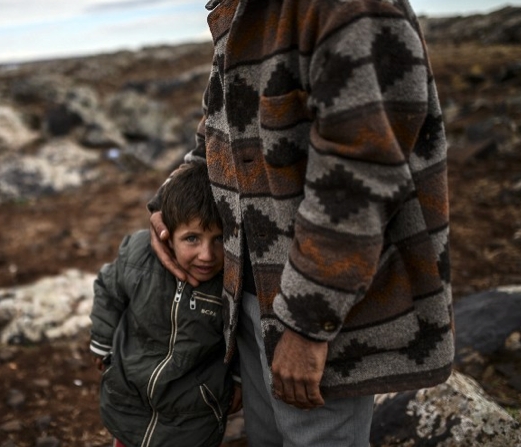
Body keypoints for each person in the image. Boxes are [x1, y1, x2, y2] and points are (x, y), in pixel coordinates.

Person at [148, 1, 455, 446]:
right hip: (251, 293)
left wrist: (308, 325)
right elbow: (221, 129)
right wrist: (170, 201)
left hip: (324, 315)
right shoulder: (243, 10)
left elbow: (360, 179)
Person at [90, 162, 242, 447]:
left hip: (192, 415)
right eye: (192, 238)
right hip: (129, 395)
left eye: (219, 239)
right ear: (166, 234)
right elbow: (108, 289)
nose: (207, 255)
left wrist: (238, 379)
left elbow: (242, 338)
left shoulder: (230, 285)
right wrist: (102, 339)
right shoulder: (139, 257)